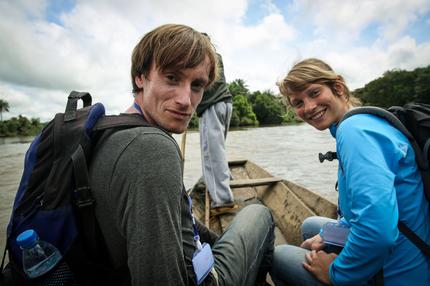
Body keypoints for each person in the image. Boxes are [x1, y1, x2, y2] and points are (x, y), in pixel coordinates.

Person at [89, 24, 275, 286]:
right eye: (172, 78)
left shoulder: (108, 131)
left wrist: (218, 241)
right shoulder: (152, 148)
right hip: (203, 280)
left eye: (197, 85)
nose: (186, 101)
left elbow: (178, 219)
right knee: (260, 214)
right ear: (140, 77)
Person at [270, 58, 430, 285]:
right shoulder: (367, 120)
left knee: (279, 255)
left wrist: (336, 272)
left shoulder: (354, 132)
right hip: (414, 251)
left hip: (398, 275)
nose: (308, 107)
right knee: (311, 227)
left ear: (338, 88)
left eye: (314, 93)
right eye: (298, 102)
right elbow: (359, 216)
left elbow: (379, 233)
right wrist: (326, 236)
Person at [196, 35, 235, 212]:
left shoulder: (202, 55)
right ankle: (224, 180)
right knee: (218, 149)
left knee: (211, 154)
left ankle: (222, 199)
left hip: (211, 106)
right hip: (226, 104)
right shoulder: (216, 56)